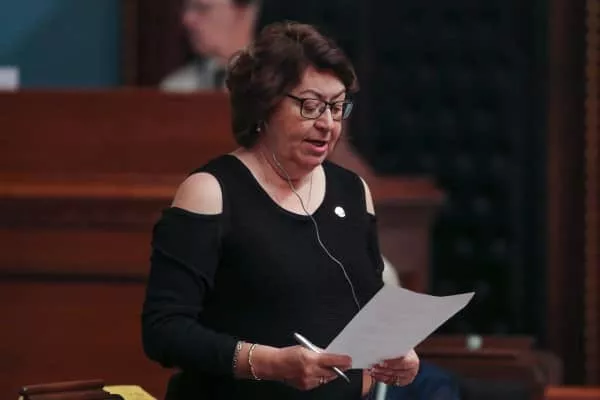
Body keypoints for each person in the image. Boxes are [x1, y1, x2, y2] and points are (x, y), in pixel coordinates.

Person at [142, 21, 420, 399]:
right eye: (311, 106)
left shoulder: (354, 192)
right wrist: (270, 363)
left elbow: (370, 312)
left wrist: (398, 352)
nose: (327, 124)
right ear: (266, 103)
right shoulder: (211, 192)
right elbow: (164, 331)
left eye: (337, 107)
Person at [160, 0, 261, 92]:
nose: (187, 19)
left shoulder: (267, 83)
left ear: (242, 11)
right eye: (186, 8)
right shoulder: (178, 89)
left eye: (202, 8)